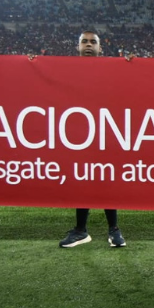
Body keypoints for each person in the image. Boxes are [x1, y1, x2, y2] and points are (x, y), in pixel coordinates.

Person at [59, 31, 127, 248]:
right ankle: (81, 230)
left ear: (100, 48)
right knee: (83, 179)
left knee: (106, 180)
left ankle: (113, 229)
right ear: (77, 46)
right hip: (77, 134)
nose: (88, 45)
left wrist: (133, 66)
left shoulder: (113, 69)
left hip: (106, 132)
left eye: (93, 42)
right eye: (84, 41)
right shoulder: (63, 70)